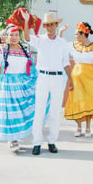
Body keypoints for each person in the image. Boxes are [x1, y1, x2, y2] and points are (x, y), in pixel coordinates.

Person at [22, 10, 73, 155]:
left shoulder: (63, 43)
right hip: (43, 77)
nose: (49, 28)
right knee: (39, 110)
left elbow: (66, 62)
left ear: (56, 25)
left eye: (52, 25)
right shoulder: (40, 39)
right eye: (47, 25)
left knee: (55, 111)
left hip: (57, 78)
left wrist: (71, 79)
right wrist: (26, 21)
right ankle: (37, 142)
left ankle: (52, 141)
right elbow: (26, 37)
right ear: (44, 27)